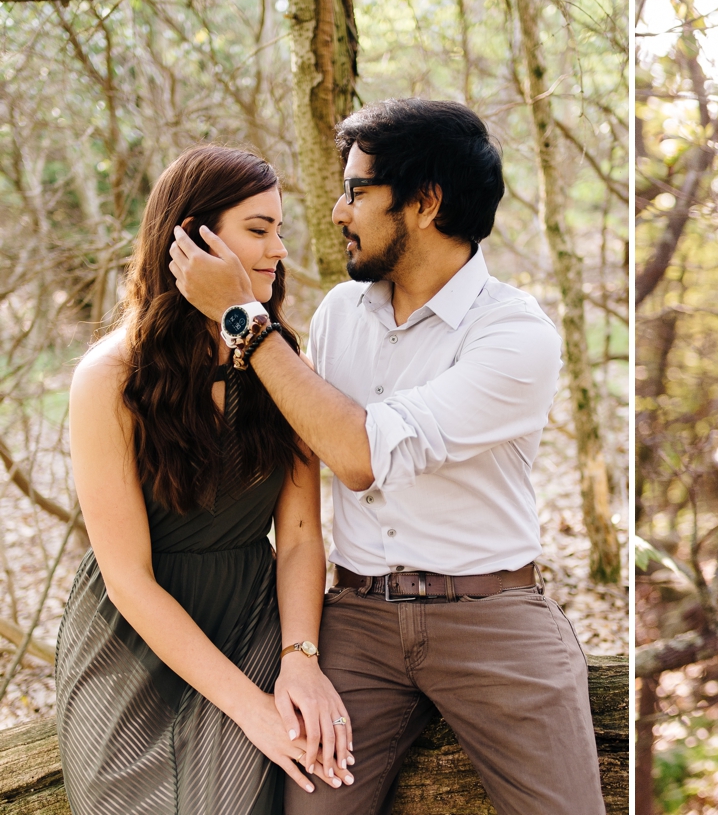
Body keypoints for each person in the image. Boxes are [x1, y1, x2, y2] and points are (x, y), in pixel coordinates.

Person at [168, 99, 603, 815]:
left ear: (425, 203)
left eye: (358, 191)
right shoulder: (342, 314)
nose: (340, 211)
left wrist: (243, 317)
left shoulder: (516, 336)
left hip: (491, 615)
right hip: (358, 622)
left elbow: (361, 453)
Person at [58, 145, 353, 815]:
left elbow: (303, 533)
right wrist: (252, 710)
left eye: (280, 230)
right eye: (258, 230)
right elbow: (127, 578)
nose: (278, 250)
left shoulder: (279, 358)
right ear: (192, 238)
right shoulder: (107, 378)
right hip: (133, 637)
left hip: (253, 616)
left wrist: (300, 658)